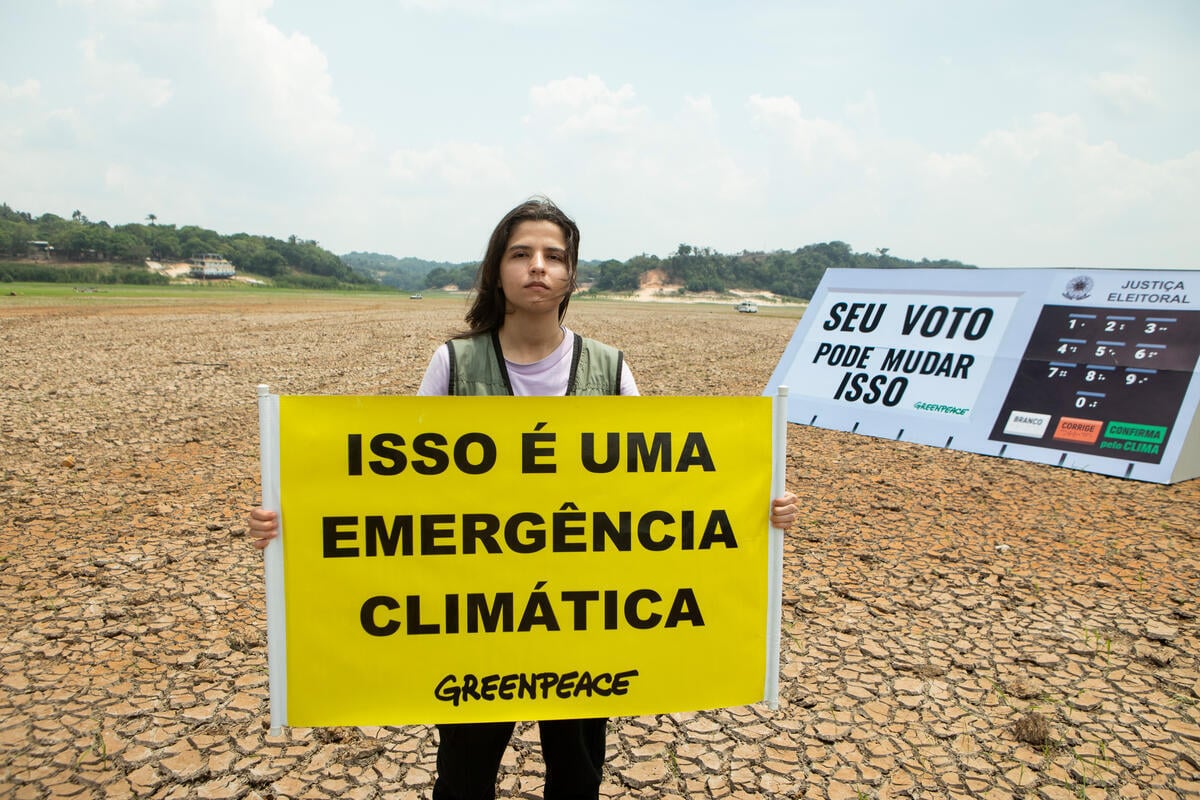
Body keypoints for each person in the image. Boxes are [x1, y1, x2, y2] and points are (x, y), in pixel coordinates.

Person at [249, 196, 800, 800]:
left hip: (585, 618)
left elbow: (661, 487)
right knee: (463, 773)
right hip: (475, 620)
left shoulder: (611, 370)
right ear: (497, 270)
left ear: (571, 276)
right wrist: (293, 519)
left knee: (578, 773)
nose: (538, 266)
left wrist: (756, 508)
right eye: (521, 253)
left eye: (553, 256)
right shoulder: (453, 363)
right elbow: (392, 485)